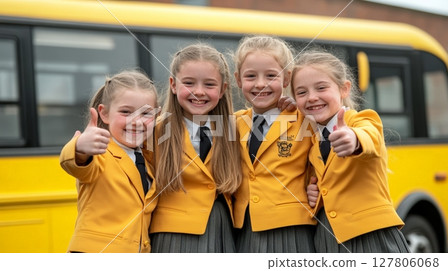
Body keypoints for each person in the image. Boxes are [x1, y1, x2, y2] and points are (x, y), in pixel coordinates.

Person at [292, 50, 410, 252]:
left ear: (344, 89)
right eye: (301, 93)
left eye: (321, 88)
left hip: (371, 235)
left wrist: (353, 139)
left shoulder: (360, 120)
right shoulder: (312, 140)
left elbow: (369, 135)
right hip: (329, 239)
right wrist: (315, 196)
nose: (311, 97)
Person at [148, 43, 242, 253]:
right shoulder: (153, 131)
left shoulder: (236, 129)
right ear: (173, 85)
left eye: (209, 84)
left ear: (223, 89)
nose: (199, 92)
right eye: (189, 83)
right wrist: (79, 150)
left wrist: (286, 104)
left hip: (222, 230)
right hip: (171, 235)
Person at [232, 35, 316, 253]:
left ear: (286, 79)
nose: (261, 83)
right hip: (244, 229)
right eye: (251, 76)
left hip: (291, 231)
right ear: (238, 80)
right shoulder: (233, 123)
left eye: (271, 75)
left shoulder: (303, 118)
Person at [60, 70, 159, 253]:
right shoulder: (99, 152)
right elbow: (76, 164)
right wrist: (80, 146)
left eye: (146, 113)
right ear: (104, 114)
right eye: (126, 112)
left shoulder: (148, 160)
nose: (136, 121)